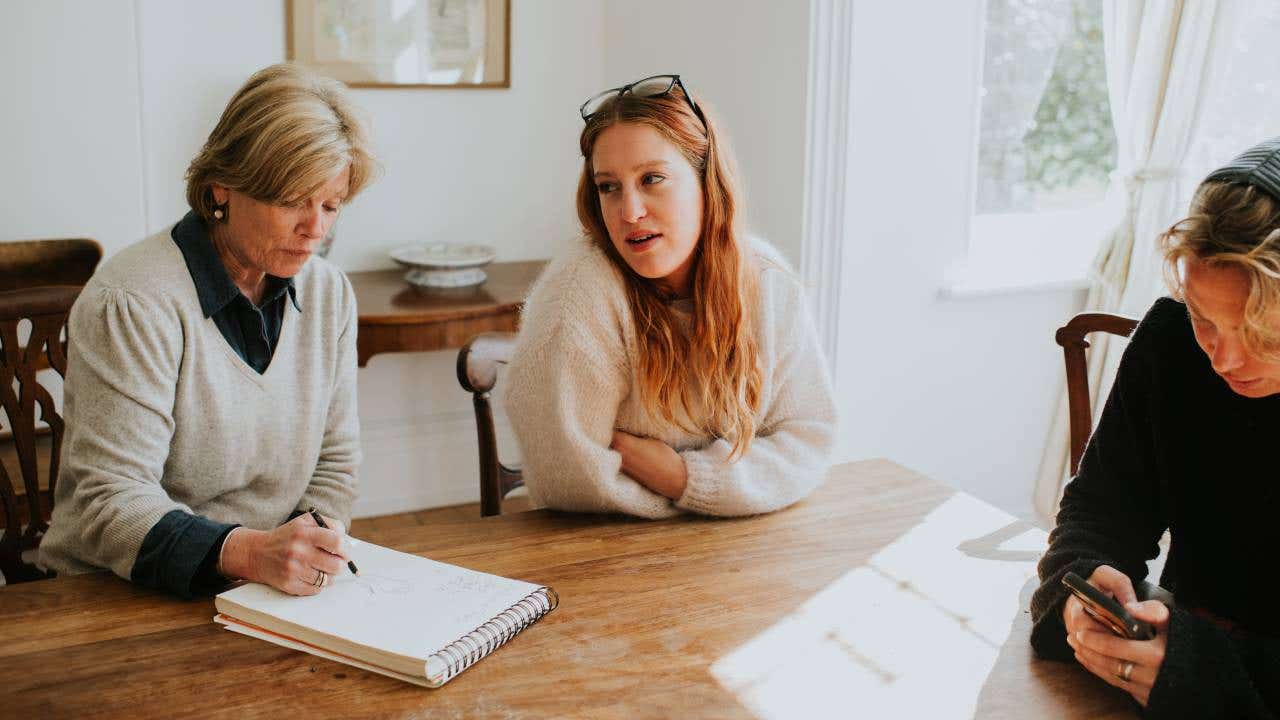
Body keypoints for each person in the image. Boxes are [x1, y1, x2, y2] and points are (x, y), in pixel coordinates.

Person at [39, 63, 377, 599]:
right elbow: (109, 500)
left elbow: (335, 464)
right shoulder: (133, 301)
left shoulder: (329, 294)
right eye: (293, 200)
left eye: (331, 205)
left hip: (259, 595)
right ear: (223, 187)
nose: (315, 230)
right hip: (114, 593)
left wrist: (308, 550)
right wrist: (250, 554)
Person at [504, 74, 836, 519]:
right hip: (606, 554)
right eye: (609, 186)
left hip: (744, 550)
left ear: (706, 181)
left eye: (653, 178)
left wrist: (684, 478)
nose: (630, 212)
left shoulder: (767, 280)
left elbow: (808, 438)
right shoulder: (578, 293)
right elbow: (569, 479)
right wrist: (742, 486)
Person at [1030, 137, 1280, 718]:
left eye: (1263, 333)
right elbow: (1097, 512)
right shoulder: (1169, 344)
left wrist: (1202, 675)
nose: (1225, 359)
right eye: (1204, 320)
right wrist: (1082, 589)